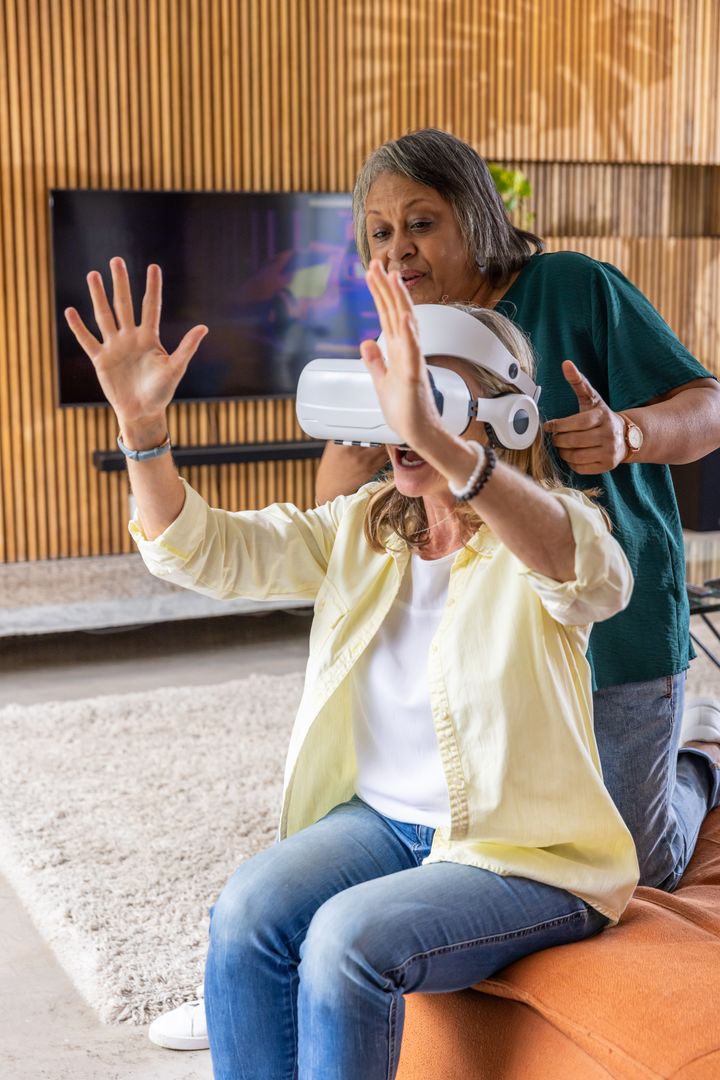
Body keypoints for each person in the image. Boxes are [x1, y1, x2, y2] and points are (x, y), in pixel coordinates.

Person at [67, 254, 638, 1078]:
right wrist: (143, 436)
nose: (400, 422)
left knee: (345, 940)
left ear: (504, 417)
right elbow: (201, 551)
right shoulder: (364, 527)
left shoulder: (559, 529)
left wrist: (446, 450)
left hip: (523, 856)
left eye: (426, 397)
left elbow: (594, 579)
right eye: (394, 396)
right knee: (247, 910)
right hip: (380, 824)